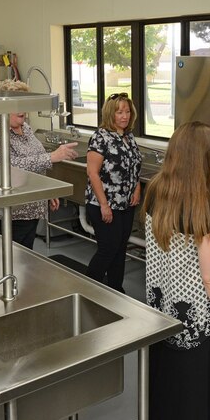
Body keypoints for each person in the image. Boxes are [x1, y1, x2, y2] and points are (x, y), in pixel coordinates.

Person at [142, 121, 210, 420]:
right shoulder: (204, 209)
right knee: (196, 406)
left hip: (160, 320)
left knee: (165, 398)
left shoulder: (156, 190)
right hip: (198, 329)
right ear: (208, 161)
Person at [0, 80, 78, 249]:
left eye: (24, 102)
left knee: (23, 263)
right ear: (2, 106)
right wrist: (51, 157)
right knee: (4, 266)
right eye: (17, 104)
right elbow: (7, 169)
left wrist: (45, 189)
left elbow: (35, 162)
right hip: (3, 217)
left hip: (28, 214)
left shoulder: (26, 129)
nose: (22, 109)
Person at [85, 92, 142, 291]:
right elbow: (92, 173)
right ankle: (89, 289)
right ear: (111, 114)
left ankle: (116, 291)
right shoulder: (101, 137)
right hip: (104, 204)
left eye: (127, 111)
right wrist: (104, 205)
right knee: (108, 249)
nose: (124, 116)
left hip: (126, 204)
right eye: (119, 112)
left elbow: (133, 165)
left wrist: (137, 188)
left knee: (120, 249)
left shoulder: (128, 136)